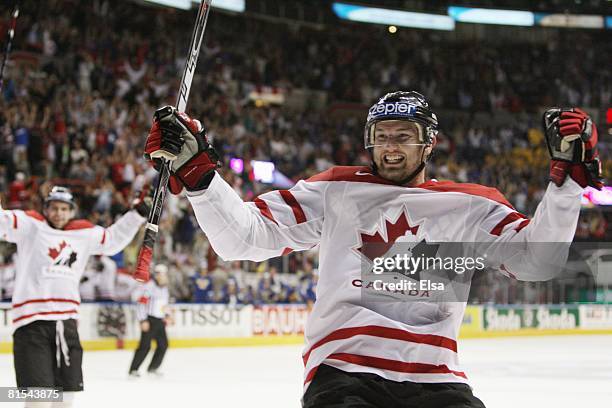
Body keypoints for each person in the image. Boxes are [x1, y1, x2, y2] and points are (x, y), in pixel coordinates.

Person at [144, 94, 602, 407]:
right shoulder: (335, 189)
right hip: (344, 375)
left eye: (403, 136)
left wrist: (568, 182)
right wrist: (201, 177)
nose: (390, 148)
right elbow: (242, 237)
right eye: (382, 136)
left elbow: (539, 262)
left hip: (436, 380)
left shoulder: (471, 203)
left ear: (429, 142)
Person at [0, 186, 148, 407]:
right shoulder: (31, 226)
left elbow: (112, 240)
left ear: (71, 211)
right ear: (46, 208)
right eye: (53, 208)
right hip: (32, 324)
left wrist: (137, 215)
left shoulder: (83, 233)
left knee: (66, 396)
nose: (58, 213)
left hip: (67, 323)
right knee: (38, 397)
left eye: (63, 208)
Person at [129, 264, 171, 377]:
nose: (163, 277)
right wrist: (142, 320)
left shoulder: (164, 288)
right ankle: (133, 369)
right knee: (145, 346)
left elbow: (165, 304)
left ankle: (153, 368)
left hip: (160, 320)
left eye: (164, 274)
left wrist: (168, 315)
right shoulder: (149, 287)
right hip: (149, 320)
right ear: (157, 275)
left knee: (163, 345)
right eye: (161, 274)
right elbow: (141, 304)